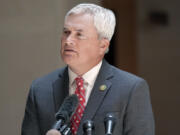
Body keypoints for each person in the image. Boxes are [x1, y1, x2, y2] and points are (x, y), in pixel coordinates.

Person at [21, 3, 155, 135]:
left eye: (79, 34)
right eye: (66, 32)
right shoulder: (40, 89)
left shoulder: (131, 88)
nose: (68, 40)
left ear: (102, 45)